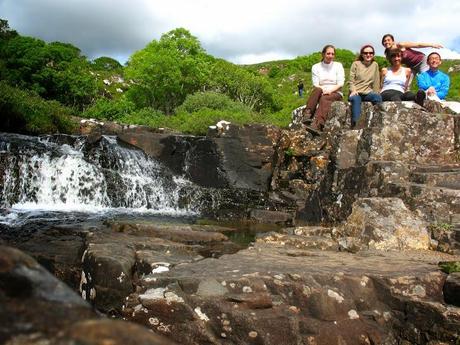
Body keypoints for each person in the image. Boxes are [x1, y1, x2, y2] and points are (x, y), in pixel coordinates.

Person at [303, 44, 344, 133]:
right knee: (317, 90)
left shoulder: (338, 65)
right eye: (328, 53)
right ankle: (307, 114)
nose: (330, 56)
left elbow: (340, 83)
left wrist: (330, 90)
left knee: (324, 98)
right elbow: (316, 84)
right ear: (323, 54)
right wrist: (323, 90)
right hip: (321, 90)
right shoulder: (316, 67)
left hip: (335, 92)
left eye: (332, 54)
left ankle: (318, 124)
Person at [348, 44, 382, 128]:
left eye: (371, 53)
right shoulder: (356, 64)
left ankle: (378, 121)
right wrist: (353, 90)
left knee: (377, 98)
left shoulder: (375, 65)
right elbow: (351, 80)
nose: (368, 54)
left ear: (373, 54)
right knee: (356, 100)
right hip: (356, 92)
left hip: (368, 93)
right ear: (362, 54)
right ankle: (356, 125)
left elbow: (376, 80)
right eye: (365, 53)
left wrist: (377, 92)